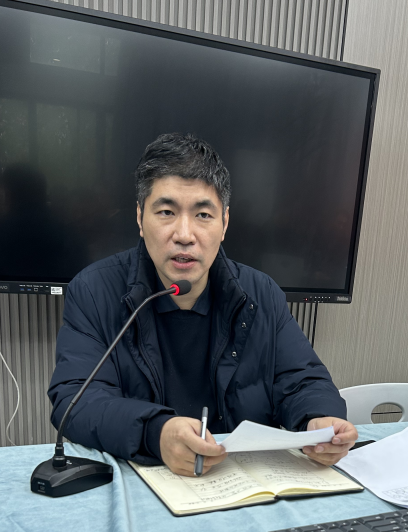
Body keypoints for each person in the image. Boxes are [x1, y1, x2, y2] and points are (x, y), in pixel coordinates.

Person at [48, 133, 357, 477]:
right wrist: (156, 433)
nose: (184, 234)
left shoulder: (261, 293)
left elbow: (302, 379)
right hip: (147, 480)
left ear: (224, 223)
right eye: (166, 212)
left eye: (203, 215)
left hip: (245, 481)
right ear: (139, 218)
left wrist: (319, 419)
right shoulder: (94, 291)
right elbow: (77, 401)